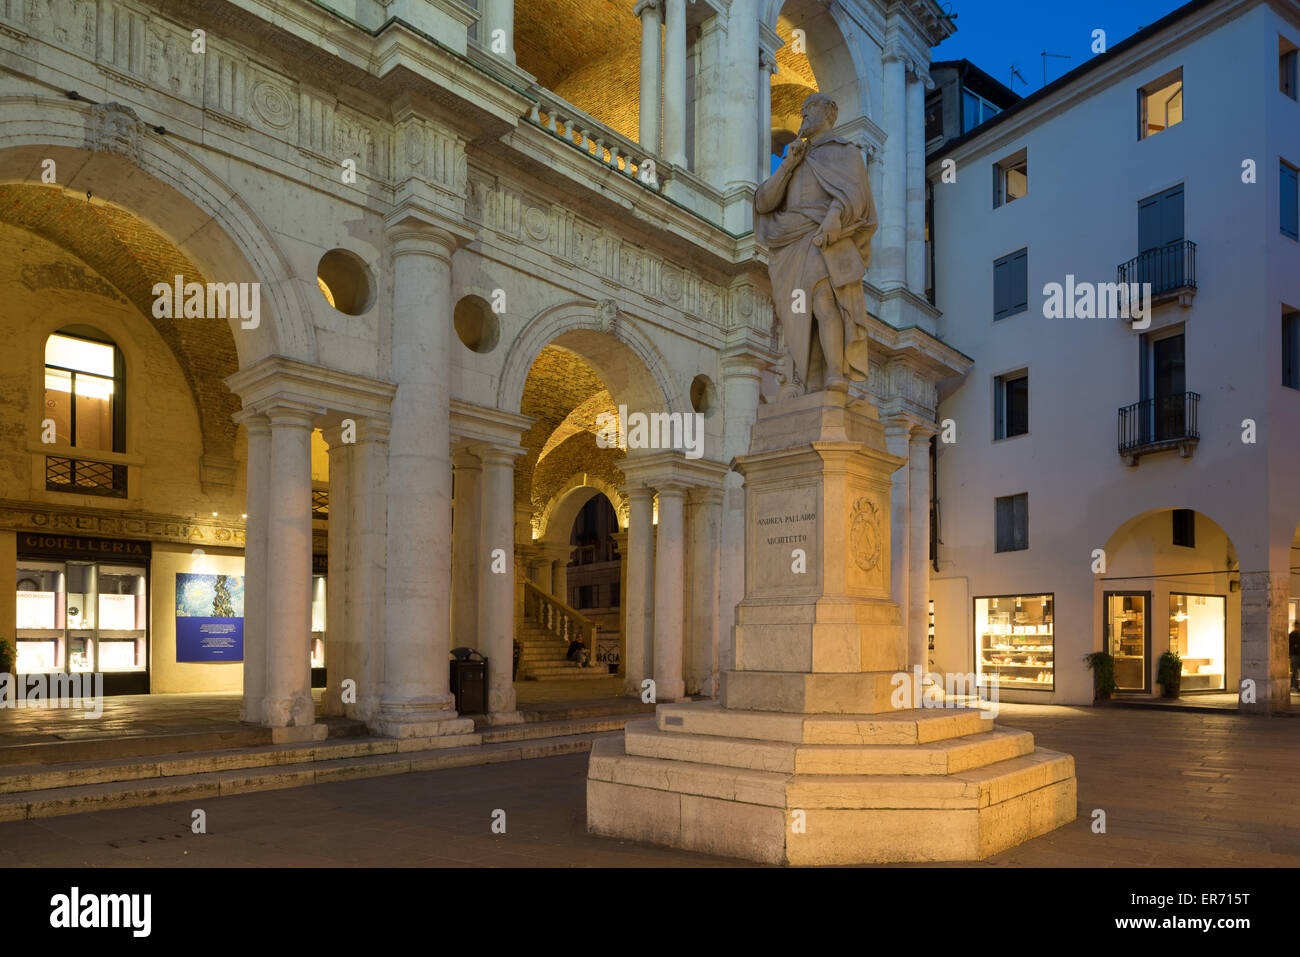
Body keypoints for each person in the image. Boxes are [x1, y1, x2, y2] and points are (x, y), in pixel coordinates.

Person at [1289, 622, 1300, 691]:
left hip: (1297, 654)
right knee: (1294, 671)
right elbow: (1290, 644)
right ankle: (1293, 686)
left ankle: (1296, 686)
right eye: (1297, 626)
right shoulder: (1292, 634)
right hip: (1295, 655)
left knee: (1295, 671)